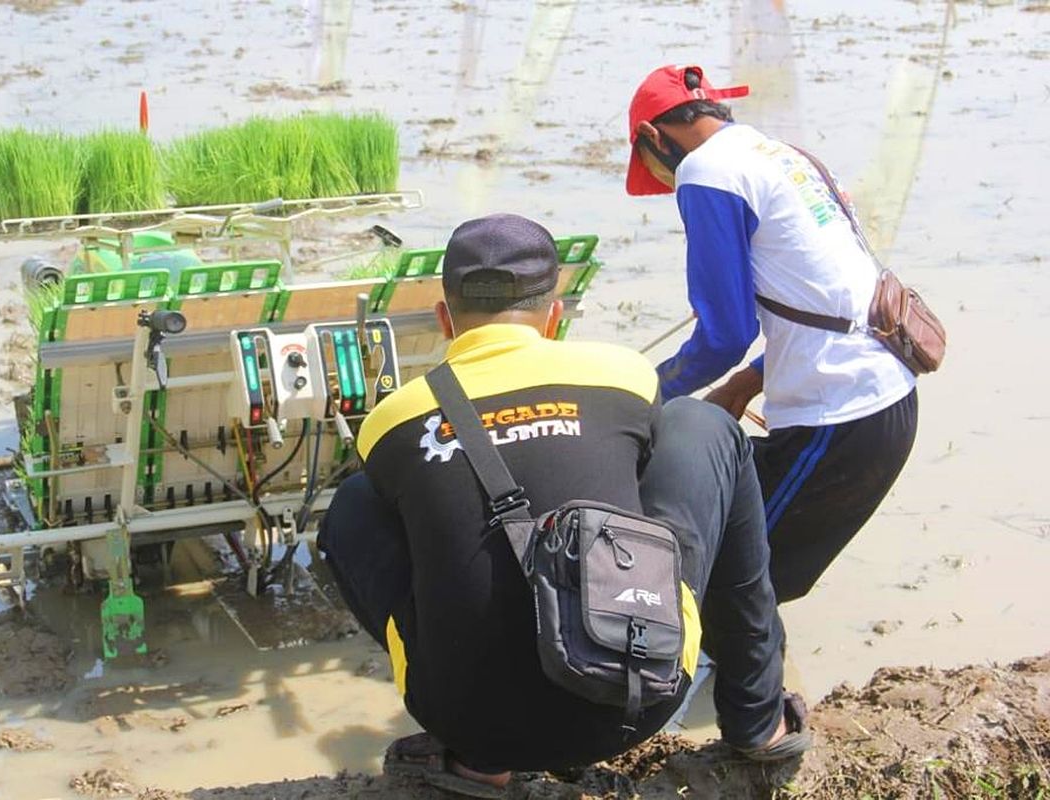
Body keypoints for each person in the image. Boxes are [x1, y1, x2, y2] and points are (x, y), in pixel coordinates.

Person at [318, 213, 809, 798]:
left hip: (472, 725)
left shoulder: (391, 422)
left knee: (351, 505)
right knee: (702, 425)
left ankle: (474, 764)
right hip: (636, 696)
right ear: (554, 316)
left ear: (444, 319)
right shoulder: (622, 375)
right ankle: (759, 723)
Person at [624, 64, 919, 603]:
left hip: (838, 416)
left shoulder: (705, 172)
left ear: (651, 136)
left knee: (730, 585)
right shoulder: (786, 156)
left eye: (654, 171)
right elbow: (834, 295)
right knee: (741, 569)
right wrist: (747, 382)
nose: (665, 181)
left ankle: (750, 690)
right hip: (886, 396)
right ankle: (752, 683)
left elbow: (724, 335)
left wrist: (636, 398)